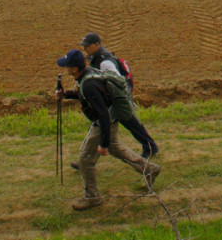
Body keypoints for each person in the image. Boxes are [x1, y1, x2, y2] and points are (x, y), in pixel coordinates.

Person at [56, 49, 160, 211]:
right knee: (117, 149)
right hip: (109, 120)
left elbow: (102, 114)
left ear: (74, 69)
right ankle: (150, 169)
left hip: (104, 123)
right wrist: (67, 94)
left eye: (67, 66)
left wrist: (103, 144)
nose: (65, 68)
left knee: (85, 160)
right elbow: (87, 95)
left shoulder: (88, 83)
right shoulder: (88, 75)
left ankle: (92, 197)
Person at [79, 32, 159, 158]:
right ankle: (86, 159)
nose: (85, 49)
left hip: (116, 99)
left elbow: (116, 80)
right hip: (113, 99)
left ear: (97, 44)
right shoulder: (98, 57)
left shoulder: (104, 62)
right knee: (119, 124)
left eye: (87, 46)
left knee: (127, 123)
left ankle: (150, 147)